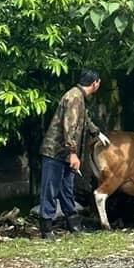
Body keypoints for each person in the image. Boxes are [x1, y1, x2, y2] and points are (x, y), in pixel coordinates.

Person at [39, 69, 110, 240]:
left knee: (66, 189)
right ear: (95, 83)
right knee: (50, 189)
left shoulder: (78, 97)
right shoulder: (75, 98)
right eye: (99, 83)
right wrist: (72, 153)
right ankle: (46, 229)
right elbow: (68, 127)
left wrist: (97, 133)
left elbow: (84, 119)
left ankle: (74, 225)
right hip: (56, 152)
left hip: (64, 153)